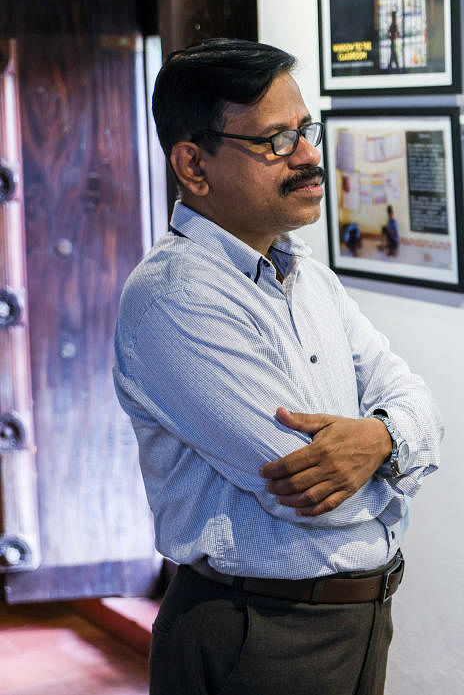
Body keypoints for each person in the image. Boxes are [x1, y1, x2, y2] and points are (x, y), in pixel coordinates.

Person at [113, 39, 443, 695]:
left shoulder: (308, 275)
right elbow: (305, 493)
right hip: (255, 630)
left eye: (306, 131)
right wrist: (402, 453)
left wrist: (379, 436)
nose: (309, 156)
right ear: (193, 164)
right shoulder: (173, 298)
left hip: (358, 619)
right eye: (276, 141)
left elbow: (414, 397)